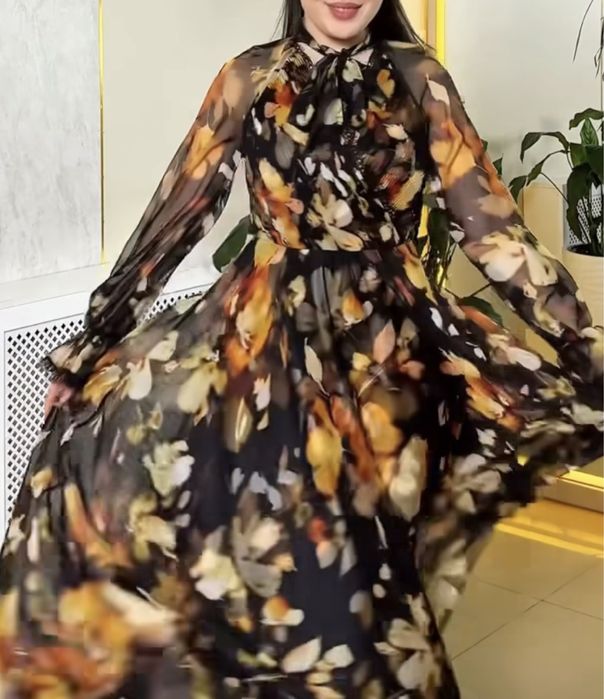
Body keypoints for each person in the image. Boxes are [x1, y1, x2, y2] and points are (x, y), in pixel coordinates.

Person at [1, 0, 602, 696]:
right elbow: (176, 214)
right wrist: (94, 342)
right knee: (299, 576)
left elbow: (490, 228)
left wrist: (581, 341)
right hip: (269, 365)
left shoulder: (419, 77)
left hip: (387, 368)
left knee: (368, 587)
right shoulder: (247, 78)